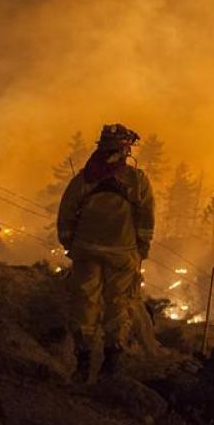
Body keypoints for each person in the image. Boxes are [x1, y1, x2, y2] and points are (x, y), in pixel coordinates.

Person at [58, 124, 155, 383]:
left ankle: (83, 363)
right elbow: (147, 217)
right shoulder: (137, 180)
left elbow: (66, 213)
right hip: (123, 255)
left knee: (84, 305)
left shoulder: (85, 178)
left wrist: (70, 243)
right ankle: (111, 364)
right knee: (119, 305)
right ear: (124, 149)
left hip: (86, 251)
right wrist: (141, 249)